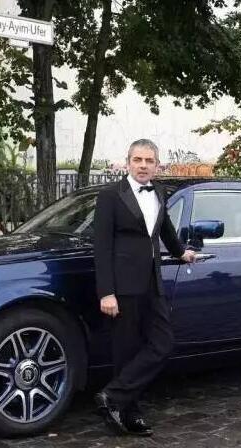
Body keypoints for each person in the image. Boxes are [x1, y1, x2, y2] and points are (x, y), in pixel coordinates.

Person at [93, 139, 196, 436]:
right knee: (126, 350)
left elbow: (165, 230)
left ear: (157, 165)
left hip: (153, 281)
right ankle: (129, 413)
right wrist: (106, 292)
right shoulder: (110, 195)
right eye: (137, 160)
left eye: (149, 161)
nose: (143, 165)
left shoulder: (159, 192)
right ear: (128, 163)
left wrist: (181, 252)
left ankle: (112, 395)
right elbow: (102, 246)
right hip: (122, 286)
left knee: (162, 343)